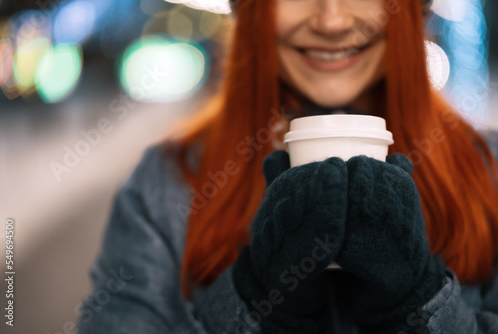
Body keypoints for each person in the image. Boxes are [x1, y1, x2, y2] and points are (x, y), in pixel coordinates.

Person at [77, 0, 498, 332]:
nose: (331, 21)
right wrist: (255, 305)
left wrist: (419, 306)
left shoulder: (490, 168)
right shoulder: (164, 185)